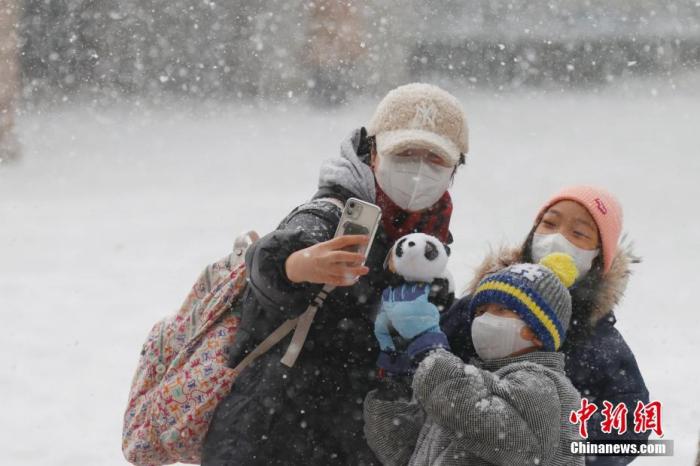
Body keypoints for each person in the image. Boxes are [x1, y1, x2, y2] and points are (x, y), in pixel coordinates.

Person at [201, 83, 469, 465]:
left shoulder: (426, 237)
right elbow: (269, 261)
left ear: (454, 168)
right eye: (405, 153)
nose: (418, 170)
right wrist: (296, 266)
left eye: (435, 159)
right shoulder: (334, 214)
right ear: (373, 152)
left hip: (353, 437)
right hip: (274, 431)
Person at [442, 185, 650, 465]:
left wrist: (566, 449)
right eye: (549, 223)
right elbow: (427, 369)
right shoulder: (478, 305)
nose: (557, 238)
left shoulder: (602, 346)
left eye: (579, 233)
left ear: (599, 257)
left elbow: (630, 431)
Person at [364, 253, 584, 465]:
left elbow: (504, 437)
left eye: (501, 309)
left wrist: (429, 355)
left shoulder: (545, 385)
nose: (484, 319)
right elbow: (405, 453)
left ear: (537, 333)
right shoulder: (473, 383)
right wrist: (396, 385)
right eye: (480, 311)